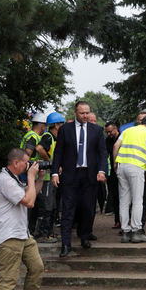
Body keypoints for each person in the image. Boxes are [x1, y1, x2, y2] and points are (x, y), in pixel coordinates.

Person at [0, 148, 46, 290]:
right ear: (16, 163)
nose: (29, 165)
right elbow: (29, 203)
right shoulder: (5, 180)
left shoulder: (14, 179)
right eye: (26, 162)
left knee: (37, 267)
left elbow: (32, 195)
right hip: (9, 237)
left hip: (22, 234)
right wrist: (31, 177)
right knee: (7, 279)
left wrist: (39, 178)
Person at [51, 101, 108, 257]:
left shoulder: (96, 130)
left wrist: (102, 171)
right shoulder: (65, 130)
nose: (85, 116)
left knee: (88, 208)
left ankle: (84, 236)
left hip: (89, 176)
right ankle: (66, 244)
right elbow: (59, 153)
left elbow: (103, 153)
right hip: (70, 175)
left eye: (87, 113)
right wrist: (55, 173)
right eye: (82, 113)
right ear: (75, 113)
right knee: (68, 209)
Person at [113, 116, 146, 243]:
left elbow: (115, 146)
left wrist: (115, 163)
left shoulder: (127, 130)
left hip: (122, 166)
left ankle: (125, 231)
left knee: (124, 200)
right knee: (137, 199)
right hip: (136, 167)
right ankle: (136, 231)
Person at [33, 112, 65, 243]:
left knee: (53, 206)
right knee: (46, 206)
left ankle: (50, 232)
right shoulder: (48, 136)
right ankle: (42, 233)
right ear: (57, 125)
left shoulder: (57, 138)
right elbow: (39, 148)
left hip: (51, 178)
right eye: (61, 124)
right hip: (45, 178)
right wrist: (51, 164)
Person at [104, 122, 121, 228]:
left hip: (123, 168)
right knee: (115, 196)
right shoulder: (107, 140)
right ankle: (118, 220)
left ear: (116, 129)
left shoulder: (122, 138)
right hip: (113, 172)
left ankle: (127, 219)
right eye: (107, 132)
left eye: (110, 131)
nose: (109, 134)